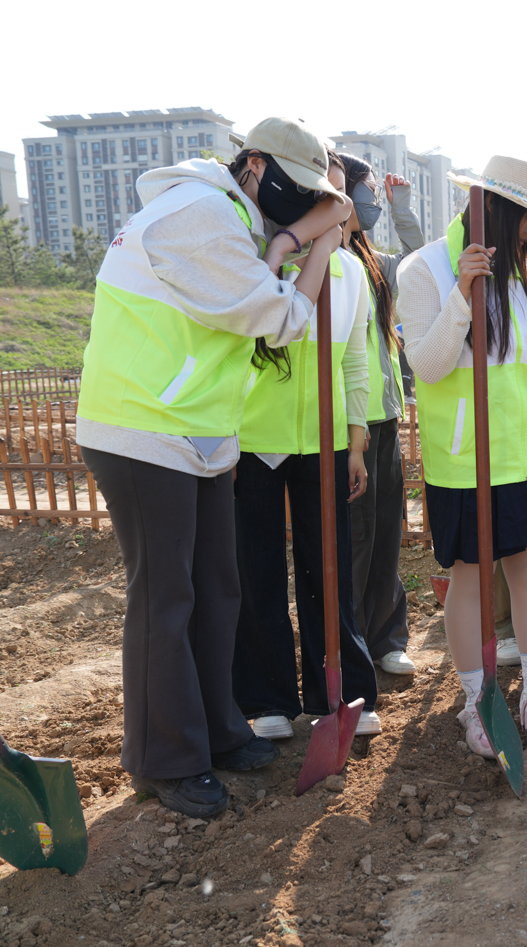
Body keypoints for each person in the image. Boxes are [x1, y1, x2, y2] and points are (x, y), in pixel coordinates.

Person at [77, 116, 349, 817]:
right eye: (293, 186)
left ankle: (217, 731)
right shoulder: (197, 213)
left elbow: (259, 291)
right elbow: (282, 317)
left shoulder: (228, 214)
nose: (298, 200)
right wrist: (313, 242)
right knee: (166, 597)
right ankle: (165, 760)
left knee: (215, 588)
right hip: (142, 427)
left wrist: (298, 237)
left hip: (196, 428)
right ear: (253, 165)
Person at [397, 155, 527, 753]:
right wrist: (461, 293)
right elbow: (425, 365)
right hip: (466, 459)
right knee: (471, 579)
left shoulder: (523, 275)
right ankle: (476, 699)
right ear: (501, 214)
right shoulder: (424, 267)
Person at [231, 152, 383, 742]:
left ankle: (341, 690)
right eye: (324, 195)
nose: (336, 209)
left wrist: (355, 442)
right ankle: (267, 696)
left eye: (340, 199)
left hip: (322, 443)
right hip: (254, 444)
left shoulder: (348, 275)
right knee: (258, 570)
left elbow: (354, 362)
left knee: (329, 571)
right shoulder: (253, 260)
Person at [336, 153, 424, 677]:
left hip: (383, 418)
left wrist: (402, 209)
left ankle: (388, 636)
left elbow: (420, 258)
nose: (372, 201)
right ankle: (353, 641)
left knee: (389, 528)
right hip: (345, 421)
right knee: (355, 537)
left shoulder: (373, 264)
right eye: (367, 191)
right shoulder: (317, 258)